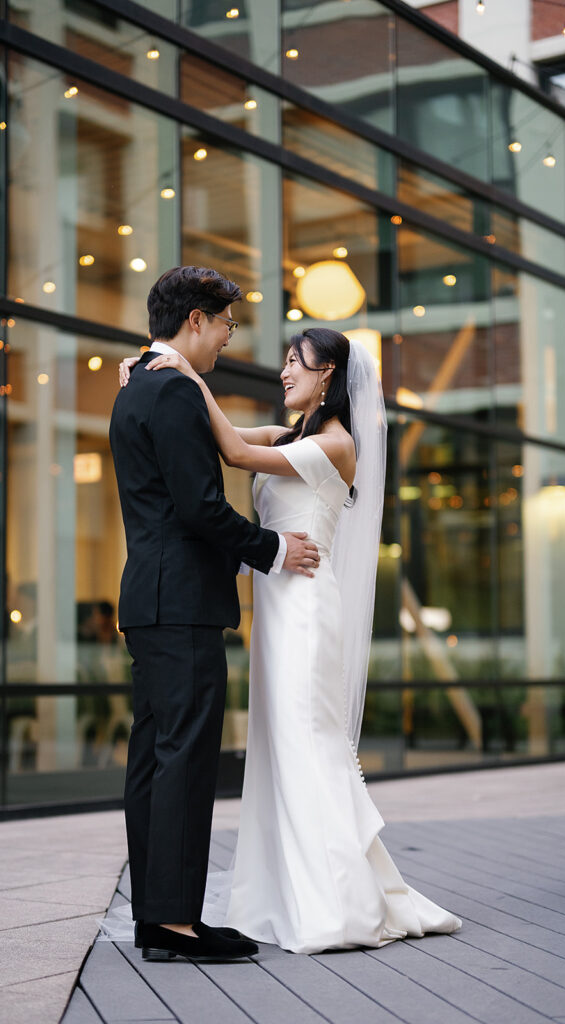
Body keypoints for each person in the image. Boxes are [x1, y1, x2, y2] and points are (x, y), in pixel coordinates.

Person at [119, 325, 462, 954]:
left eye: (295, 362)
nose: (283, 372)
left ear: (327, 373)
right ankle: (280, 893)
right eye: (282, 361)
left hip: (305, 606)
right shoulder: (292, 435)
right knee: (276, 746)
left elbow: (236, 453)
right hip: (274, 610)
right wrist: (159, 374)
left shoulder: (336, 444)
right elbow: (222, 443)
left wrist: (173, 370)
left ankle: (333, 901)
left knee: (308, 740)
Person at [109, 266, 320, 963]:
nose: (231, 337)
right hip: (180, 603)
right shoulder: (168, 390)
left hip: (154, 600)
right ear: (195, 319)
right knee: (183, 761)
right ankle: (172, 925)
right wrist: (273, 548)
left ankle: (159, 917)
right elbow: (199, 507)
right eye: (226, 323)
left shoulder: (144, 383)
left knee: (155, 759)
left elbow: (216, 458)